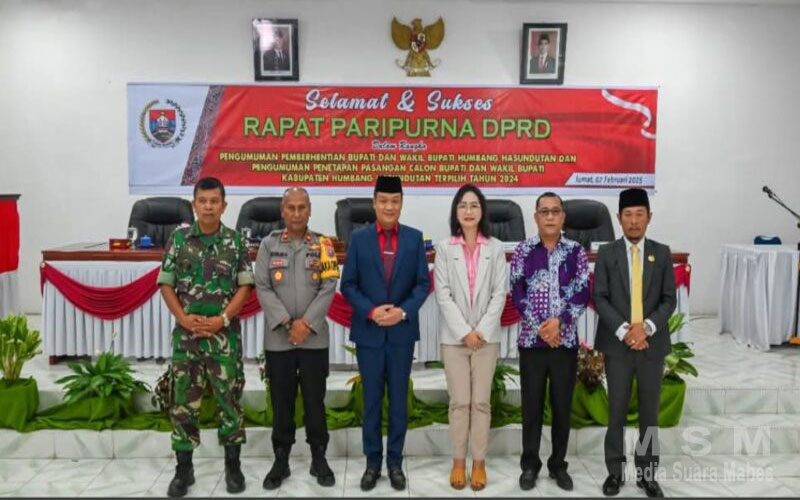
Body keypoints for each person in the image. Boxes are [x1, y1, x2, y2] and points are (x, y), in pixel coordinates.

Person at [157, 177, 254, 497]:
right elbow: (166, 283)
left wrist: (222, 319)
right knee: (183, 404)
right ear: (194, 204)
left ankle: (233, 468)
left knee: (230, 402)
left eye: (214, 201)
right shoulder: (179, 239)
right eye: (203, 201)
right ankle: (184, 471)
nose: (209, 206)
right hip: (187, 340)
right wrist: (182, 318)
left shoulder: (235, 242)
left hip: (224, 338)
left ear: (224, 206)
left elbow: (245, 286)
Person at [340, 175, 430, 492]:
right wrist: (372, 311)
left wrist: (401, 312)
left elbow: (422, 284)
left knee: (399, 403)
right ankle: (372, 463)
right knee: (372, 402)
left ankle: (394, 463)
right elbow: (348, 284)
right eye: (383, 201)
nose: (389, 207)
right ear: (374, 203)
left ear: (401, 204)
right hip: (370, 334)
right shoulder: (359, 239)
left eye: (395, 201)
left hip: (402, 334)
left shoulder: (414, 238)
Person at [593, 188, 676, 498]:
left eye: (640, 214)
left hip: (651, 346)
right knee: (616, 411)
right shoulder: (607, 253)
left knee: (649, 414)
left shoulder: (662, 253)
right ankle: (614, 473)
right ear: (618, 218)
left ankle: (647, 474)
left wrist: (647, 329)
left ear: (649, 217)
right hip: (618, 345)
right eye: (627, 215)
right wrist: (625, 331)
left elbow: (669, 299)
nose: (633, 221)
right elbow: (600, 297)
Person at [254, 187, 339, 490]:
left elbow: (329, 286)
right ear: (282, 210)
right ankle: (281, 460)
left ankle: (319, 457)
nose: (296, 213)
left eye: (302, 207)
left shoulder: (323, 245)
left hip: (314, 340)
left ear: (310, 210)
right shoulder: (268, 245)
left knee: (315, 401)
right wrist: (289, 323)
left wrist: (306, 324)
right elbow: (262, 286)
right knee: (282, 401)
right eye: (291, 207)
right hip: (279, 340)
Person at [510, 192, 590, 492]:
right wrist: (540, 328)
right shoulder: (523, 250)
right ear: (536, 217)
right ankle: (530, 465)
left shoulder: (576, 252)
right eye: (544, 211)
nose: (550, 216)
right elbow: (517, 292)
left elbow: (582, 292)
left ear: (563, 216)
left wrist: (560, 323)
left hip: (564, 344)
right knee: (531, 408)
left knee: (561, 406)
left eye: (555, 211)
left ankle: (558, 464)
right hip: (532, 343)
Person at [434, 184, 507, 491]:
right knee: (460, 402)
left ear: (482, 211)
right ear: (455, 211)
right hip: (455, 339)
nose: (468, 211)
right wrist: (465, 332)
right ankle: (458, 462)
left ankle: (478, 463)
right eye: (462, 205)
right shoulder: (444, 248)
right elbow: (443, 295)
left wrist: (481, 331)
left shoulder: (496, 248)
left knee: (480, 402)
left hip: (486, 339)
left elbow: (499, 294)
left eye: (474, 205)